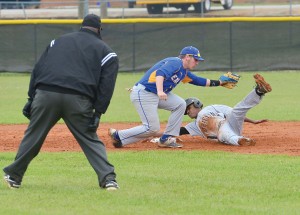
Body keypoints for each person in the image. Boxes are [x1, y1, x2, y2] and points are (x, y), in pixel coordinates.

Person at [3, 14, 120, 190]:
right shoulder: (107, 52)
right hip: (78, 100)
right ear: (99, 29)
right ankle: (108, 179)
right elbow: (107, 85)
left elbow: (38, 69)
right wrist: (98, 112)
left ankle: (14, 176)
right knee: (90, 140)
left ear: (82, 26)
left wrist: (31, 98)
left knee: (33, 136)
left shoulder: (57, 42)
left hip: (46, 94)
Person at [109, 46, 229, 148]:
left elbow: (199, 81)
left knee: (180, 104)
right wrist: (161, 91)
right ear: (187, 56)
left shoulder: (184, 71)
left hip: (155, 94)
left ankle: (166, 138)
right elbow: (160, 73)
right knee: (152, 128)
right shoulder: (176, 62)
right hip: (144, 93)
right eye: (195, 59)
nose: (197, 62)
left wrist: (219, 83)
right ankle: (119, 135)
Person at [180, 73, 272, 146]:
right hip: (224, 134)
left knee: (237, 110)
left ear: (196, 104)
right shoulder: (194, 126)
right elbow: (179, 131)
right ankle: (241, 140)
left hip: (228, 123)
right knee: (223, 135)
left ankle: (259, 91)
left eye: (188, 108)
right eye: (186, 111)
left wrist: (252, 121)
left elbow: (234, 113)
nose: (187, 112)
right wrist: (167, 136)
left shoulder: (210, 108)